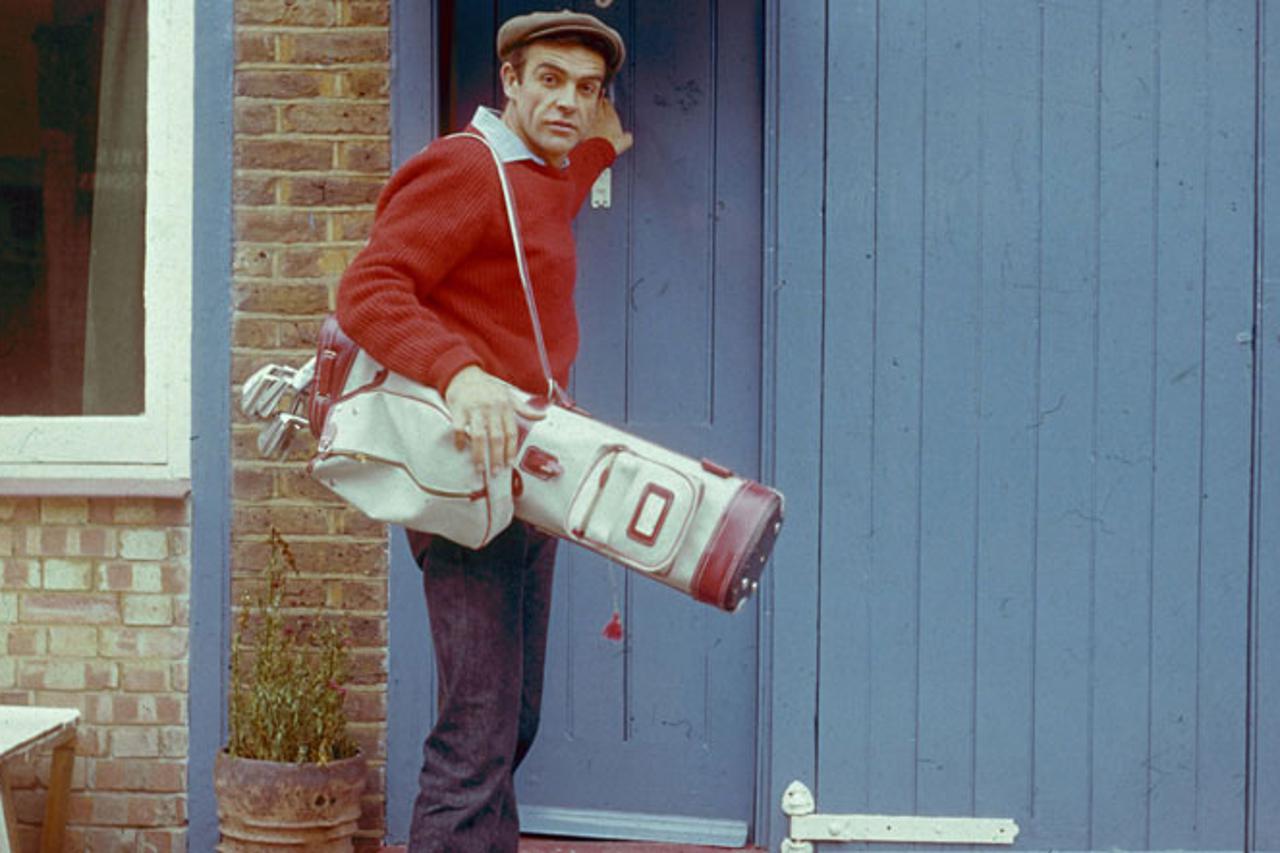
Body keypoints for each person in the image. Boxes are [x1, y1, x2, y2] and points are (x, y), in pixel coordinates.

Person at [334, 10, 632, 852]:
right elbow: (368, 290)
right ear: (508, 81)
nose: (569, 102)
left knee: (510, 723)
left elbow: (560, 186)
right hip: (468, 484)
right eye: (549, 80)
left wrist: (605, 149)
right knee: (474, 739)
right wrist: (459, 373)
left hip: (531, 475)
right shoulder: (468, 168)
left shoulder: (542, 172)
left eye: (586, 89)